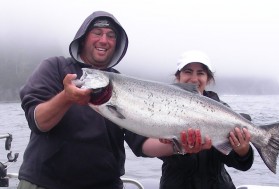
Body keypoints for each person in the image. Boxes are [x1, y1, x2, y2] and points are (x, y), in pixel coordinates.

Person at [18, 11, 209, 189]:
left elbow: (143, 144)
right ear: (83, 38)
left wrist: (180, 145)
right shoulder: (55, 67)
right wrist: (66, 98)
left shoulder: (122, 84)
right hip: (45, 183)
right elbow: (38, 121)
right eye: (97, 32)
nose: (104, 40)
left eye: (111, 35)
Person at [159, 50, 254, 189]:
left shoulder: (224, 111)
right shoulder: (163, 106)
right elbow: (156, 151)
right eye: (188, 71)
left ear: (208, 79)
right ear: (178, 77)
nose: (194, 78)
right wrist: (175, 147)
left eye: (200, 73)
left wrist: (243, 151)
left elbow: (239, 163)